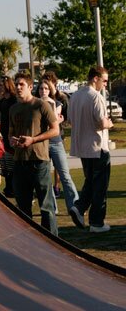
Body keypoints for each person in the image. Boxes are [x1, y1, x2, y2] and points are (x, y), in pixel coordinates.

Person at [9, 72, 59, 236]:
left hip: (39, 162)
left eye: (21, 84)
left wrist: (34, 139)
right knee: (23, 208)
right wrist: (12, 140)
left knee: (46, 206)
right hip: (19, 162)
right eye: (16, 84)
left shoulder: (41, 105)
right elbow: (10, 133)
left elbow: (55, 130)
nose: (17, 87)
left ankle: (52, 241)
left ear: (30, 87)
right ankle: (29, 242)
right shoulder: (13, 108)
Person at [68, 66, 113, 233]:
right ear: (96, 78)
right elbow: (102, 123)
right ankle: (96, 222)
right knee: (100, 185)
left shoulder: (75, 96)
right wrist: (109, 123)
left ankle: (79, 208)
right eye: (105, 80)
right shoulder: (96, 97)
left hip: (82, 147)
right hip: (97, 147)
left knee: (91, 182)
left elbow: (71, 120)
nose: (106, 84)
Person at [37, 78, 79, 213]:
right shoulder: (35, 104)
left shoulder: (57, 103)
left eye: (46, 88)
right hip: (42, 144)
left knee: (65, 175)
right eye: (41, 89)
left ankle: (75, 206)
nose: (43, 91)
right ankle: (52, 208)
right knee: (46, 178)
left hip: (56, 143)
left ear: (50, 90)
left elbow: (54, 120)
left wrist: (51, 104)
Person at [0, 76, 17, 197]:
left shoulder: (14, 100)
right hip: (4, 137)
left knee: (12, 165)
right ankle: (9, 188)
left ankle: (14, 189)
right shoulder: (3, 101)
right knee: (6, 166)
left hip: (13, 136)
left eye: (1, 85)